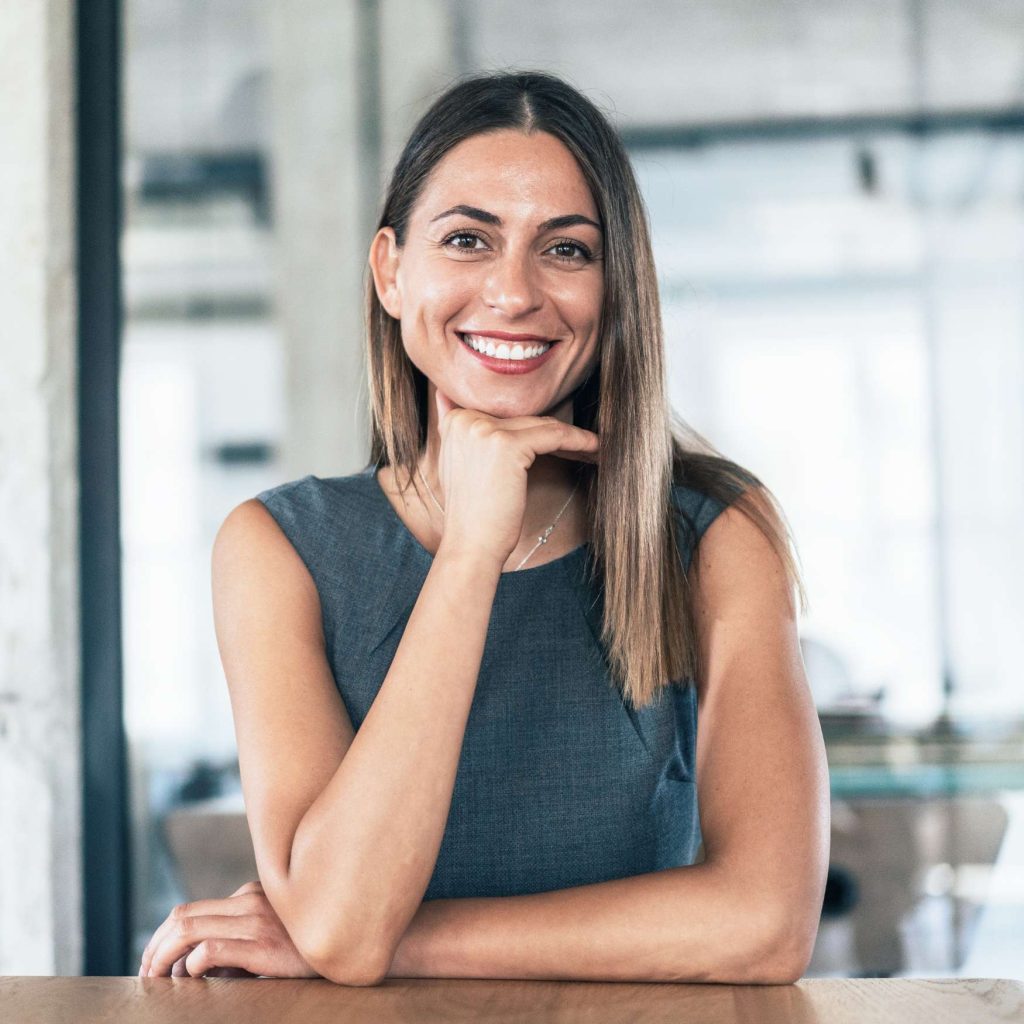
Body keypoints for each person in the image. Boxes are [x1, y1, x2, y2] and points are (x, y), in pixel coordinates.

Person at [139, 70, 829, 986]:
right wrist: (471, 548)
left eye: (568, 251)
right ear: (390, 271)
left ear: (615, 288)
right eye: (467, 239)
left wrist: (395, 941)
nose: (513, 293)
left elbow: (766, 924)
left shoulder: (716, 536)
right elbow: (343, 923)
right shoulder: (279, 550)